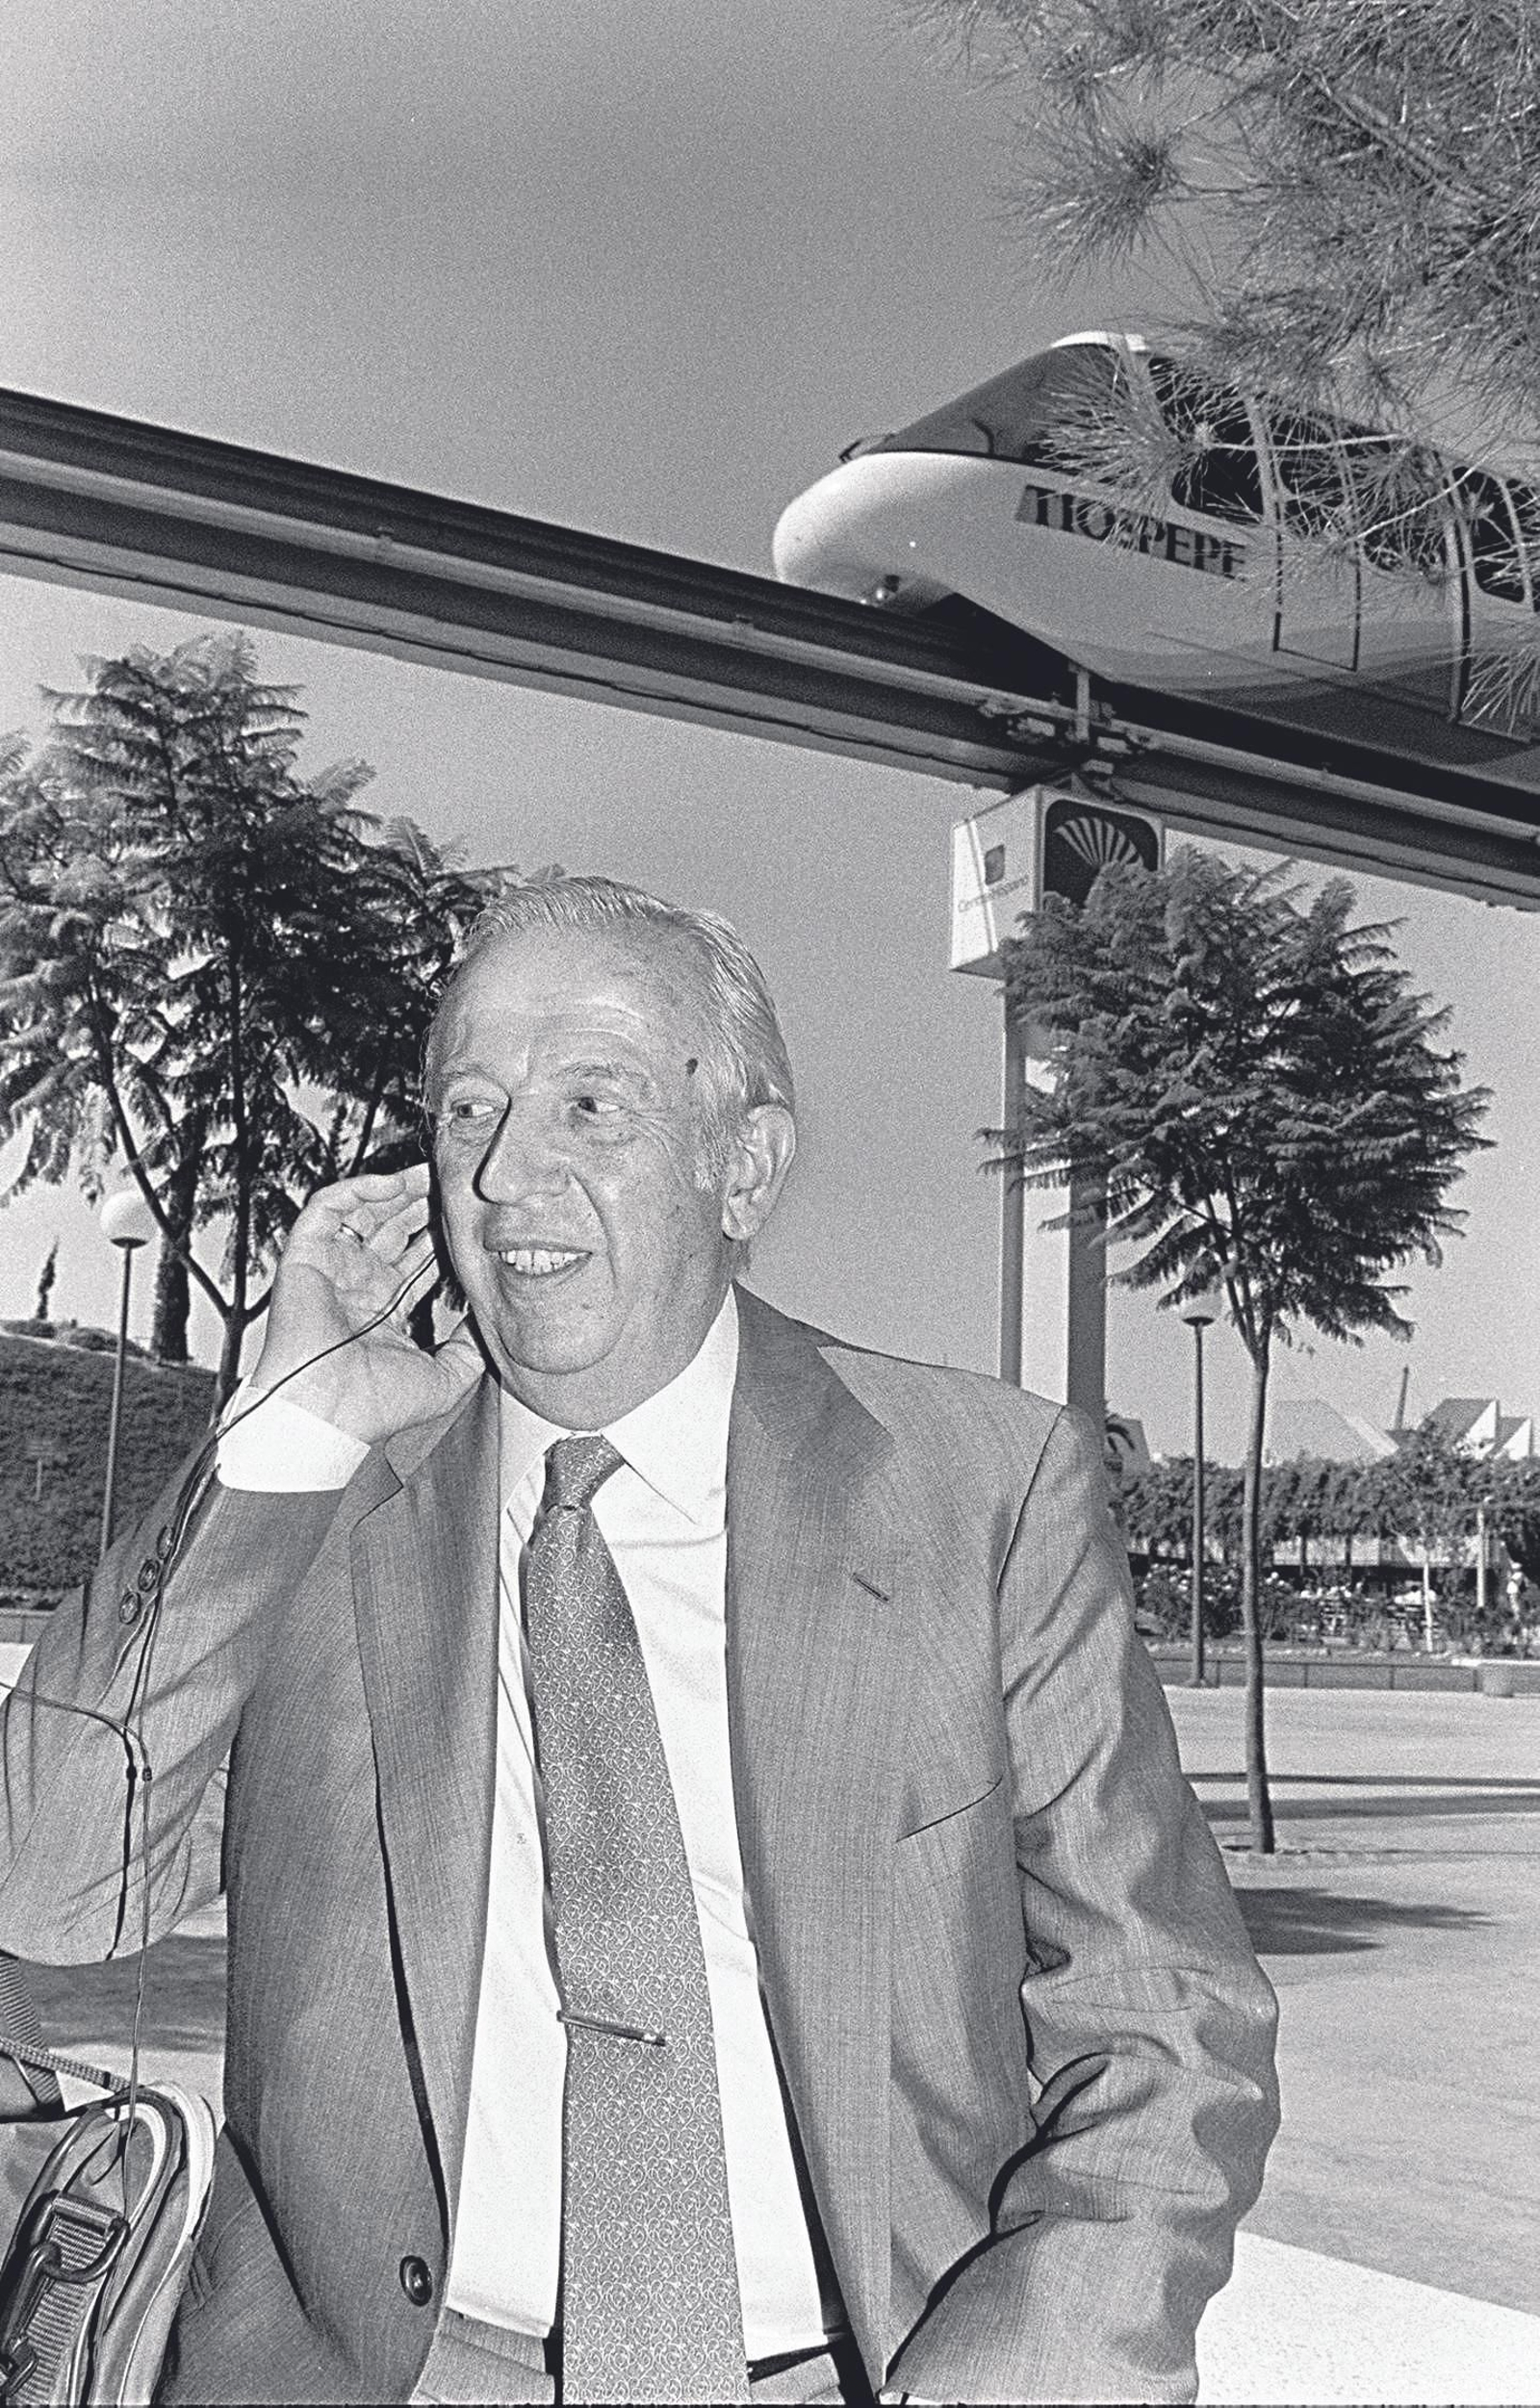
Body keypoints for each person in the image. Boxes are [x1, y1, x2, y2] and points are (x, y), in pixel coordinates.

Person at [0, 876, 1278, 2406]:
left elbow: (1165, 2022)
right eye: (469, 1109)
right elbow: (55, 1879)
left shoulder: (981, 1491)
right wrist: (289, 1428)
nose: (506, 1174)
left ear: (742, 1165)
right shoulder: (323, 1504)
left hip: (865, 2373)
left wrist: (1018, 2374)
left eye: (589, 1105)